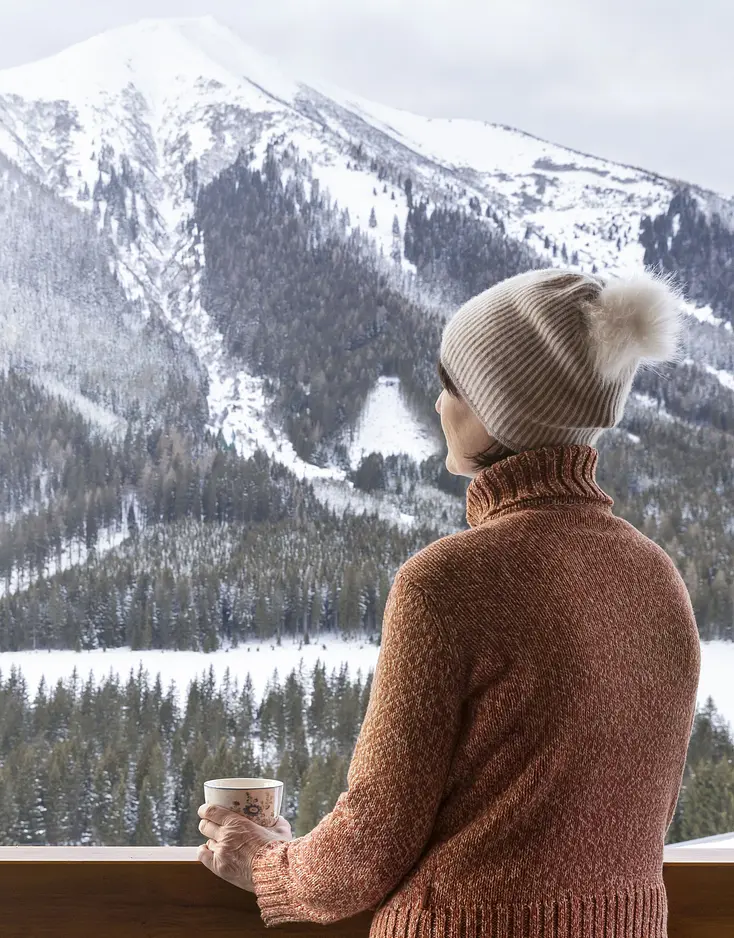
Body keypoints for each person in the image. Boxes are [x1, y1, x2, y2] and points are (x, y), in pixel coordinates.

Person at [197, 267, 701, 937]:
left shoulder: (449, 583)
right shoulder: (654, 576)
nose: (439, 405)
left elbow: (370, 842)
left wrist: (268, 866)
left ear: (498, 407)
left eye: (452, 385)